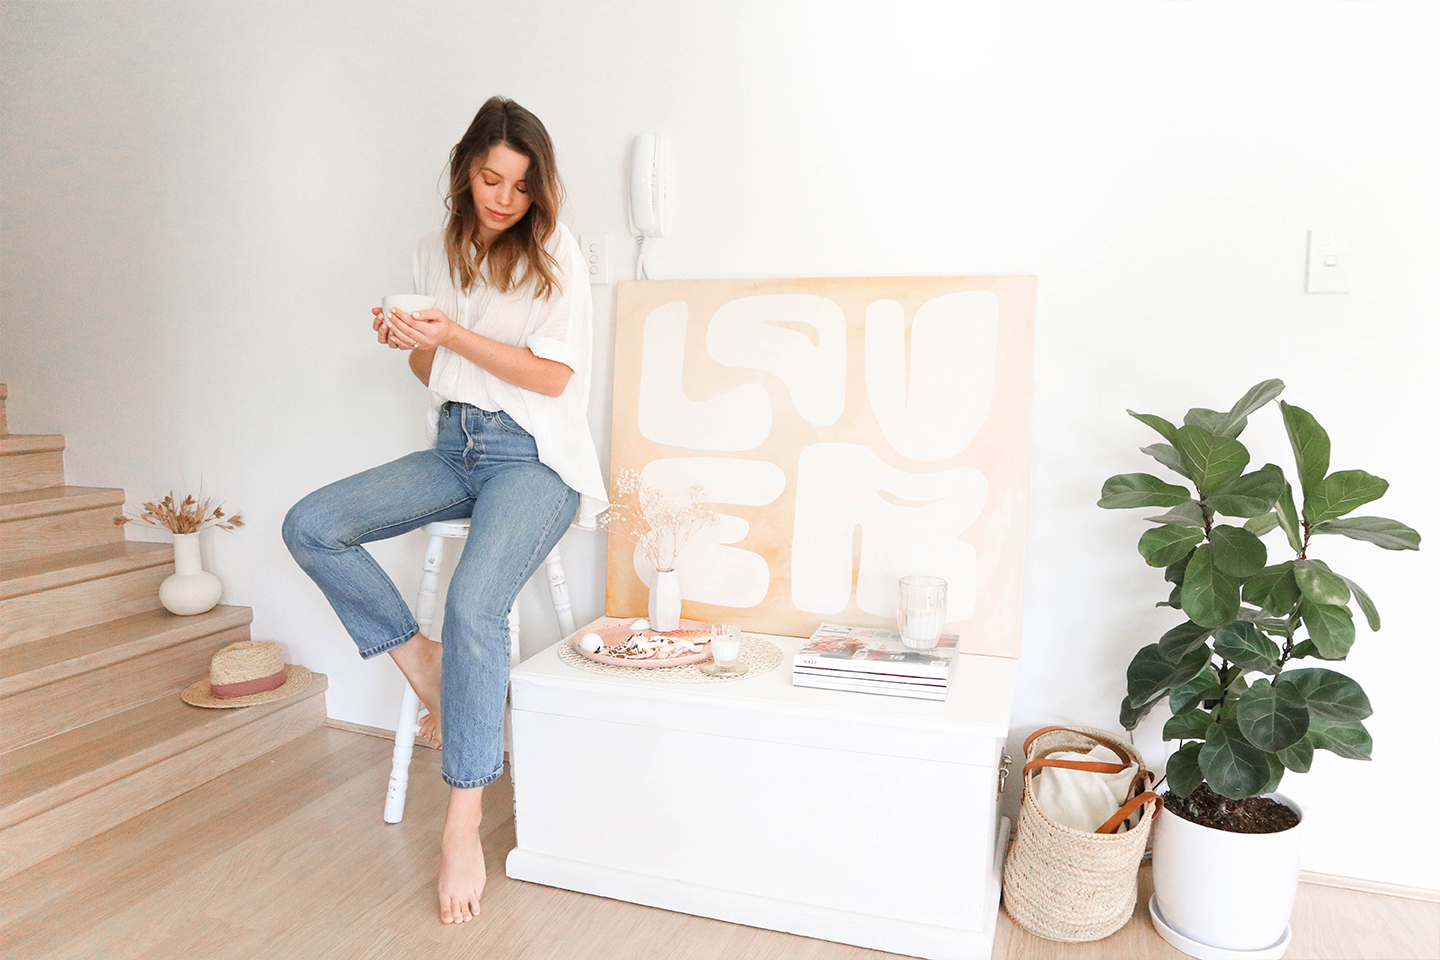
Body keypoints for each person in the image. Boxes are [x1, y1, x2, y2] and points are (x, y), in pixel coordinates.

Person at [282, 96, 607, 925]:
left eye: (522, 187)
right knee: (311, 524)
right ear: (466, 169)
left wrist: (452, 334)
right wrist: (412, 342)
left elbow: (553, 380)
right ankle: (420, 663)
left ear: (540, 193)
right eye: (492, 178)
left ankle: (461, 821)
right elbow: (440, 379)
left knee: (475, 602)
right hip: (453, 447)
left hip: (535, 458)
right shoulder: (435, 252)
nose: (504, 198)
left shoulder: (557, 254)